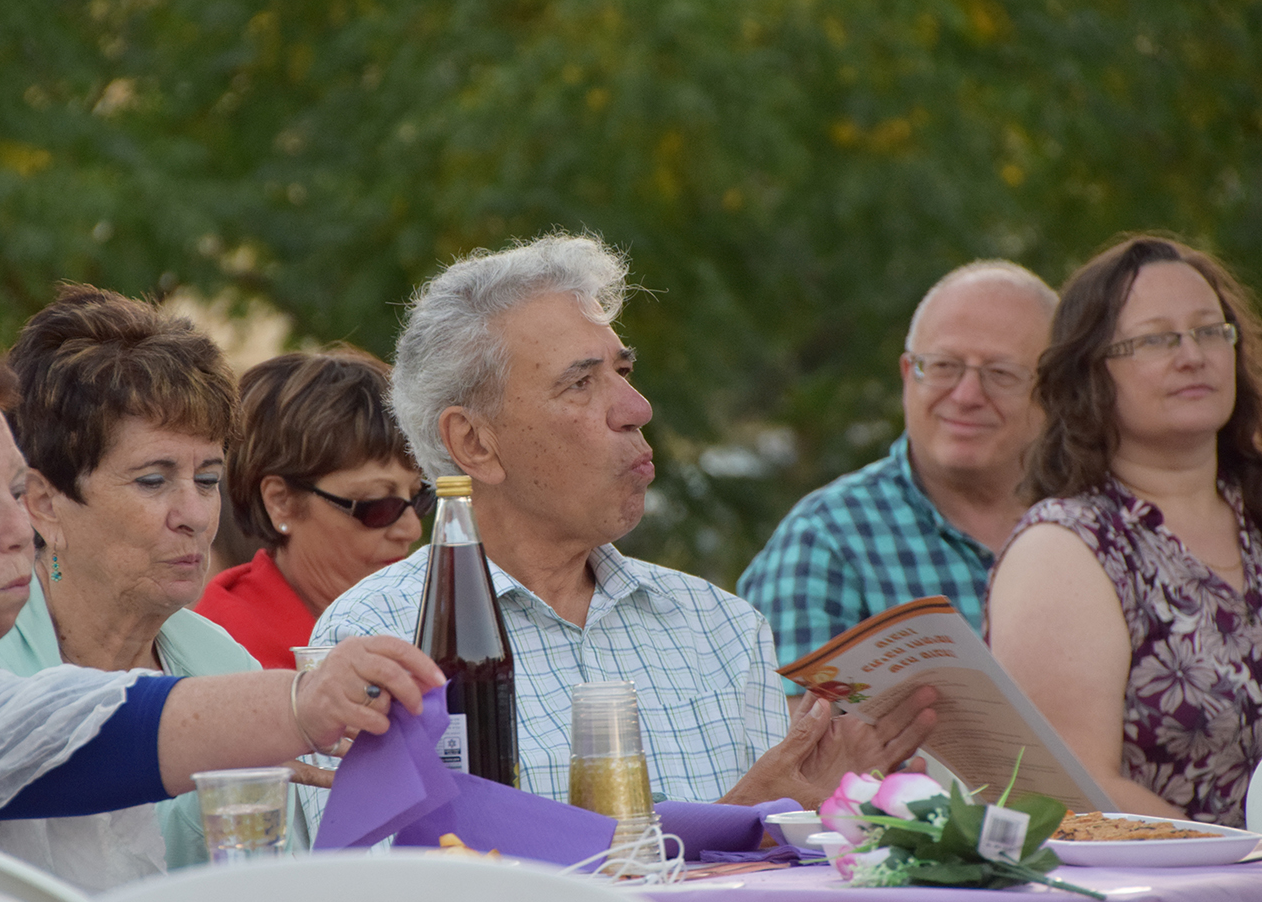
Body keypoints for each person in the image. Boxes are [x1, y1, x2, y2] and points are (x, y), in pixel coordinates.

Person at [0, 325, 442, 886]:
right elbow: (62, 738)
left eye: (208, 479)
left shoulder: (211, 654)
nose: (14, 528)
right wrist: (302, 703)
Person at [313, 234, 936, 810]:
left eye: (624, 371)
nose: (637, 409)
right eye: (581, 383)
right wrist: (738, 822)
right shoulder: (378, 642)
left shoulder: (721, 628)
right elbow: (409, 897)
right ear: (475, 444)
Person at [0, 287, 275, 880]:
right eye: (151, 480)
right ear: (44, 504)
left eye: (209, 478)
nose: (193, 514)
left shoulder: (227, 668)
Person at [986, 235, 1262, 827]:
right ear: (1092, 372)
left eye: (1211, 331)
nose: (1193, 355)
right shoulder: (1066, 548)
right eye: (1158, 339)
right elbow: (1076, 787)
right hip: (1175, 900)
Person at [737, 261, 1056, 698]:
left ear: (1057, 391)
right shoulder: (824, 544)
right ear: (909, 375)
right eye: (943, 366)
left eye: (1001, 374)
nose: (965, 396)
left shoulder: (1106, 528)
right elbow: (793, 753)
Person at [195, 348, 431, 669]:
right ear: (281, 502)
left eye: (420, 498)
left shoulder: (433, 621)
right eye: (378, 504)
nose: (411, 529)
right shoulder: (221, 657)